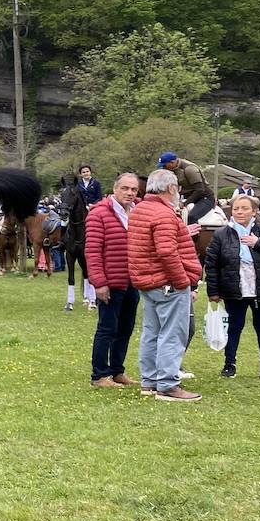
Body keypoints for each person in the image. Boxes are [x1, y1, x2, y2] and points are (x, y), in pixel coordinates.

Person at [128, 168, 203, 402]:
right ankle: (168, 385)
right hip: (167, 283)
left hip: (147, 281)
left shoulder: (140, 210)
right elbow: (166, 251)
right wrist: (182, 280)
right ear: (171, 188)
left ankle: (149, 381)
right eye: (177, 189)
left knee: (152, 332)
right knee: (172, 334)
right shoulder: (163, 214)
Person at [204, 195, 260, 380]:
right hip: (234, 290)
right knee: (234, 328)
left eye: (244, 208)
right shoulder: (221, 234)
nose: (240, 212)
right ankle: (229, 364)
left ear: (254, 211)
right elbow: (212, 264)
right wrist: (213, 291)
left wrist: (257, 243)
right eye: (236, 209)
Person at [85, 172, 141, 389]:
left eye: (133, 189)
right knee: (107, 328)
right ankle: (99, 375)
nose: (129, 193)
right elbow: (92, 251)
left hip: (132, 281)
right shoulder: (99, 214)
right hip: (110, 281)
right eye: (125, 188)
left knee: (125, 328)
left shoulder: (137, 212)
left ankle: (117, 371)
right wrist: (99, 282)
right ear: (115, 188)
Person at [156, 152, 214, 223]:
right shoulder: (173, 170)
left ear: (172, 162)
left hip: (204, 198)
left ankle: (193, 233)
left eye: (165, 166)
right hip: (188, 196)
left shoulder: (190, 169)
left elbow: (200, 190)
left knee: (191, 217)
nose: (163, 168)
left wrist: (185, 203)